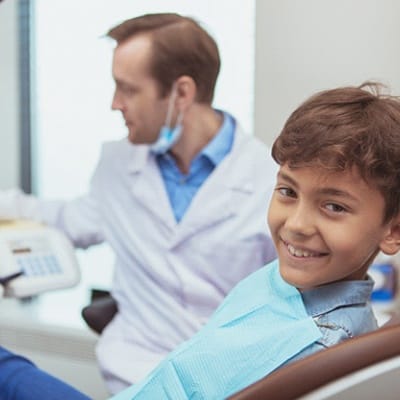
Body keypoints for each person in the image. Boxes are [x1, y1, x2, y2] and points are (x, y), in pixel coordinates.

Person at [2, 81, 400, 400]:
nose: (296, 224)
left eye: (333, 207)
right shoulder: (289, 281)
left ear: (392, 230)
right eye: (287, 192)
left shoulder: (316, 347)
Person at [0, 13, 277, 393]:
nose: (115, 104)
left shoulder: (270, 181)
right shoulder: (118, 165)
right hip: (134, 379)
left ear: (181, 93)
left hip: (227, 385)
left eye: (127, 89)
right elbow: (69, 219)